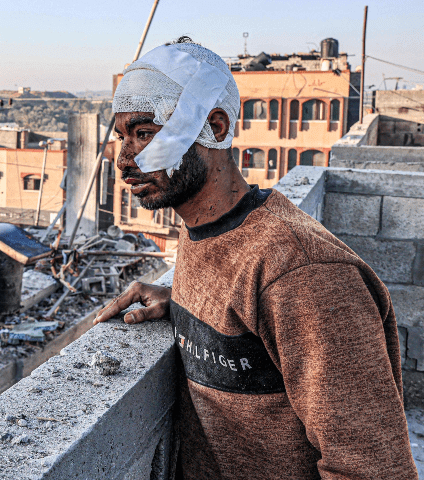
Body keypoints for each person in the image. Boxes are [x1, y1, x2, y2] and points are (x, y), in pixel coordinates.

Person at [94, 38, 416, 479]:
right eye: (121, 136)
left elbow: (372, 470)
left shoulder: (305, 276)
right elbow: (246, 304)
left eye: (146, 133)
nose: (124, 158)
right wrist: (187, 305)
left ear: (217, 127)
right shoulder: (207, 230)